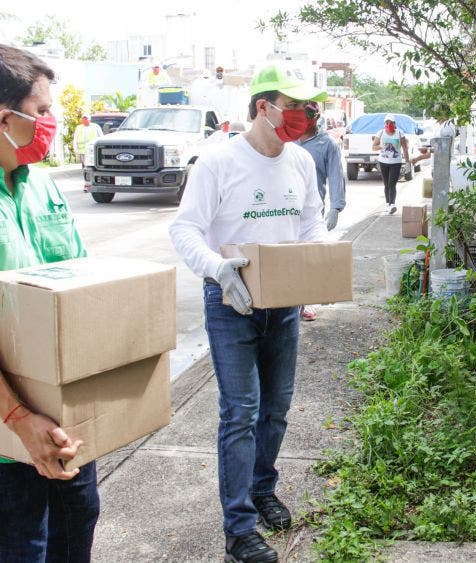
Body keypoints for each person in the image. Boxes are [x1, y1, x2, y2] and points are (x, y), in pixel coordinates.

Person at [169, 63, 329, 563]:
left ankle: (263, 487)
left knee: (276, 410)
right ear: (264, 107)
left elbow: (310, 226)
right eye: (296, 106)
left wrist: (317, 270)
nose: (305, 115)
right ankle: (238, 528)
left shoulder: (301, 161)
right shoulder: (218, 162)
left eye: (309, 107)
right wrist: (219, 270)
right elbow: (185, 229)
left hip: (282, 307)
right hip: (231, 303)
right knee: (241, 413)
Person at [0, 44, 96, 562]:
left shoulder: (42, 187)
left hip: (65, 422)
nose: (53, 122)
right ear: (3, 117)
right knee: (22, 546)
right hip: (7, 436)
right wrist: (16, 417)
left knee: (76, 524)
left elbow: (81, 284)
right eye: (41, 112)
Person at [295, 102, 347, 321]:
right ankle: (286, 302)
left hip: (312, 210)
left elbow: (336, 176)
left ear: (316, 119)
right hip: (285, 206)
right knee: (285, 255)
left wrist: (336, 207)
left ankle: (302, 303)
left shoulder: (327, 144)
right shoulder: (288, 139)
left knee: (306, 258)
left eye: (309, 117)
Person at [372, 113, 410, 215]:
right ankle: (388, 204)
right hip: (383, 162)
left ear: (394, 123)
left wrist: (407, 162)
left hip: (396, 162)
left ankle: (392, 204)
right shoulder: (380, 133)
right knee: (386, 184)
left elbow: (405, 148)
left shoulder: (399, 133)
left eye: (391, 122)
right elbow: (373, 147)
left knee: (392, 184)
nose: (389, 124)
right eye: (387, 122)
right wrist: (381, 147)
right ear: (385, 123)